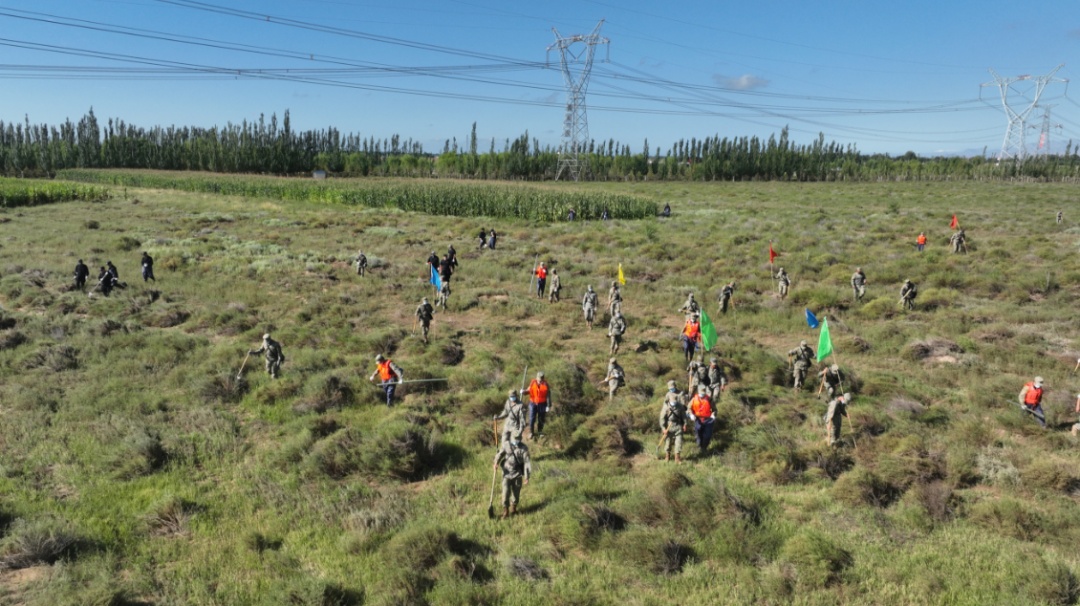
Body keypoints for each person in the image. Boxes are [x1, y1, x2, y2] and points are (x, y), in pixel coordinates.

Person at [493, 435, 531, 519]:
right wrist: (496, 463)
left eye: (518, 439)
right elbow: (500, 454)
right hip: (506, 473)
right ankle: (505, 511)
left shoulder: (524, 448)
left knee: (516, 493)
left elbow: (527, 462)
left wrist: (527, 477)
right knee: (505, 492)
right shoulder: (506, 445)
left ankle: (513, 509)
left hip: (517, 474)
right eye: (515, 439)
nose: (516, 441)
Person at [658, 380, 687, 463]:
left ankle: (677, 458)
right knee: (668, 442)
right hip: (668, 426)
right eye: (670, 388)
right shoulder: (666, 404)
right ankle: (667, 456)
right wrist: (663, 428)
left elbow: (684, 415)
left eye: (673, 388)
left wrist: (685, 424)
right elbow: (662, 418)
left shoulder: (681, 396)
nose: (671, 390)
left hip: (678, 424)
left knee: (679, 442)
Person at [689, 385, 715, 455]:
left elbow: (714, 409)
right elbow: (689, 408)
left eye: (703, 394)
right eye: (701, 394)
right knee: (698, 434)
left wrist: (713, 414)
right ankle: (699, 447)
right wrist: (691, 414)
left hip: (708, 419)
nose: (702, 395)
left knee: (707, 435)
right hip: (698, 419)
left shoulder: (709, 399)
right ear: (698, 392)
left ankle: (704, 448)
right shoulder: (694, 399)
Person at [527, 371, 553, 439]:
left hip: (542, 404)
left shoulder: (546, 384)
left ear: (543, 379)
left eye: (541, 380)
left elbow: (548, 396)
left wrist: (548, 405)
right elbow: (528, 391)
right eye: (539, 380)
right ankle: (531, 432)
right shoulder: (533, 382)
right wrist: (523, 391)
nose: (540, 381)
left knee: (541, 419)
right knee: (531, 419)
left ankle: (540, 432)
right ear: (536, 378)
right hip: (532, 403)